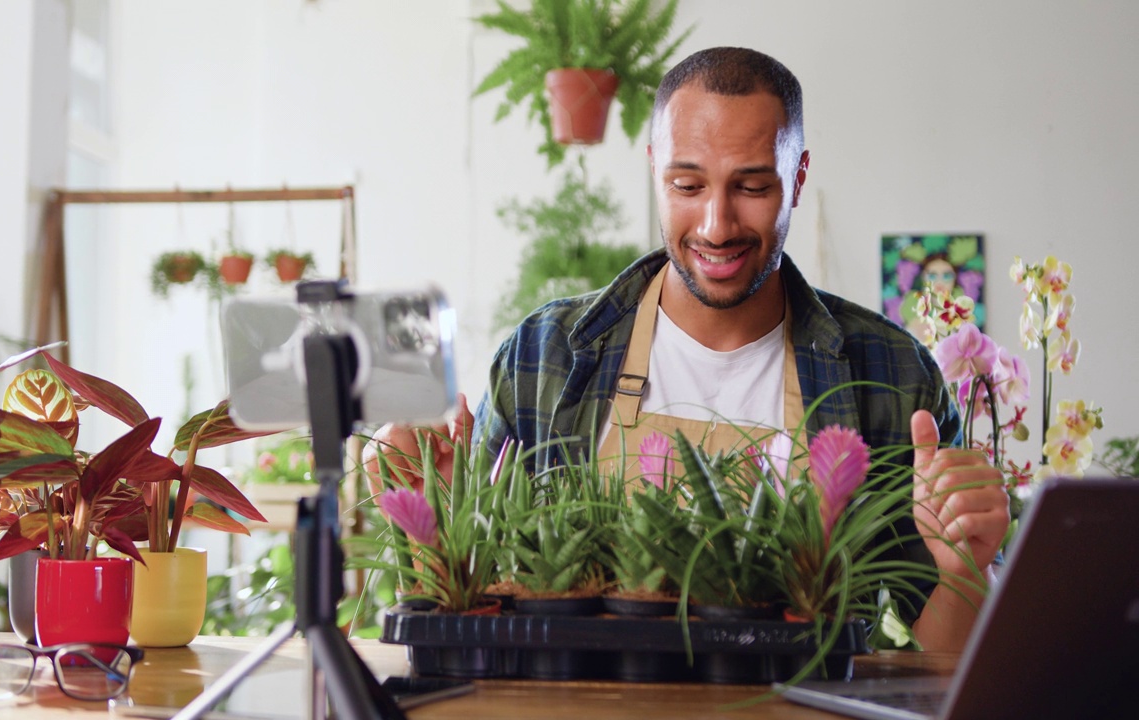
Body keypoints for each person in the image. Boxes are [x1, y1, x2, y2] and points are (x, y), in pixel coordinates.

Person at [364, 47, 1008, 653]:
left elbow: (947, 667)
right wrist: (434, 517)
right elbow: (470, 630)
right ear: (654, 169)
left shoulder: (889, 376)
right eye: (688, 185)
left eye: (752, 187)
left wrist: (964, 568)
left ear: (799, 176)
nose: (716, 225)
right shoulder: (546, 357)